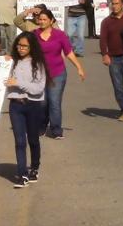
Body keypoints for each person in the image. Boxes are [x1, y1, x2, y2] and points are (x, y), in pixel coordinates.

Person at [34, 10, 86, 139]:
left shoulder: (60, 35)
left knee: (54, 102)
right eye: (40, 19)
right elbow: (24, 49)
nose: (41, 21)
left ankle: (56, 130)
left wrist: (79, 67)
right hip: (40, 75)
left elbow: (68, 52)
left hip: (57, 73)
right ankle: (41, 126)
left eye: (45, 19)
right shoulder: (34, 35)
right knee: (42, 103)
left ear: (51, 21)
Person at [5, 32, 47, 188]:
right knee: (19, 141)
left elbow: (38, 89)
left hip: (33, 105)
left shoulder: (38, 64)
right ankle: (22, 174)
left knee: (33, 140)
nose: (21, 48)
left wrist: (18, 83)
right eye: (19, 45)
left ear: (31, 47)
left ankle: (34, 167)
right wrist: (4, 63)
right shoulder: (12, 62)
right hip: (15, 105)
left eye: (24, 46)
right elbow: (1, 77)